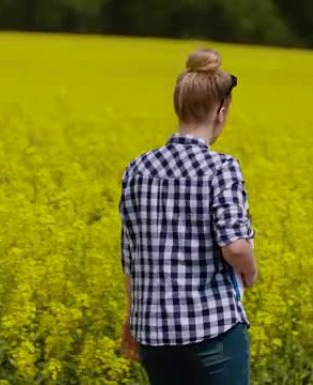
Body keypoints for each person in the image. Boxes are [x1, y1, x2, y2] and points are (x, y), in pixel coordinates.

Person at [118, 48, 257, 385]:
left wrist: (132, 318)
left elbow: (131, 259)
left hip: (154, 335)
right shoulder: (221, 168)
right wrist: (250, 272)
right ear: (221, 111)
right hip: (213, 331)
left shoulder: (137, 169)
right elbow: (235, 247)